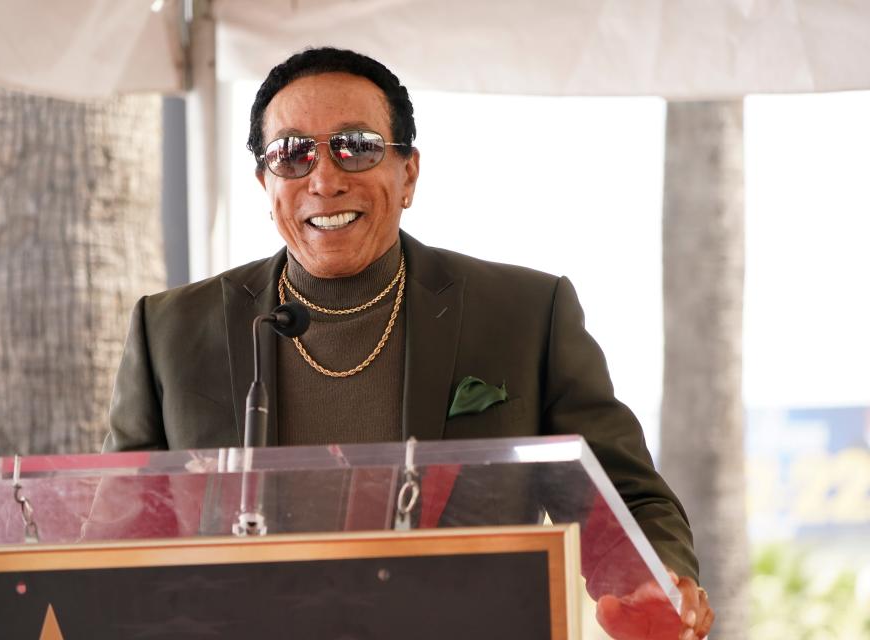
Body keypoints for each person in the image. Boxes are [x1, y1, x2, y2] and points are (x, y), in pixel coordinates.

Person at [106, 47, 714, 639]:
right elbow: (112, 538)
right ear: (266, 182)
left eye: (356, 147)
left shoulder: (524, 314)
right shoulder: (172, 331)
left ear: (408, 174)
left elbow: (625, 499)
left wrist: (652, 580)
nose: (323, 179)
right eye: (292, 154)